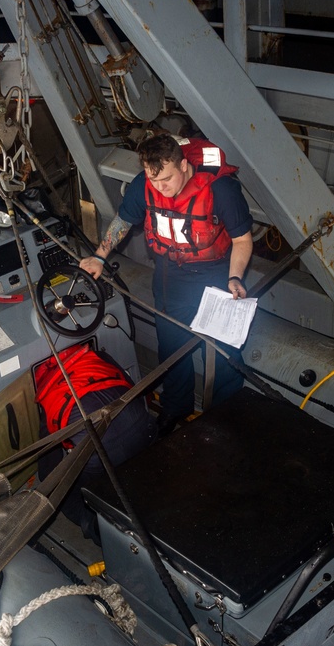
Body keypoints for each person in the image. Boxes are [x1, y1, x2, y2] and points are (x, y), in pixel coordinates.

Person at [79, 133, 253, 434]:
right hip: (170, 274)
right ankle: (176, 407)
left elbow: (242, 239)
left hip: (215, 274)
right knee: (172, 349)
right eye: (153, 180)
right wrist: (100, 256)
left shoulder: (220, 189)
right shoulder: (145, 184)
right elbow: (124, 221)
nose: (161, 188)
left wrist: (234, 277)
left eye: (167, 180)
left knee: (223, 353)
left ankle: (226, 414)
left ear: (184, 166)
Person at [34, 344, 156, 540]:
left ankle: (98, 530)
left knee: (66, 491)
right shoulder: (98, 358)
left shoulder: (49, 399)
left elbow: (47, 469)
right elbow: (135, 391)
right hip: (142, 428)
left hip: (99, 456)